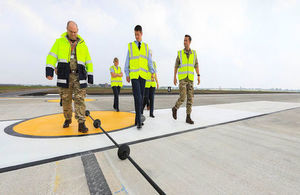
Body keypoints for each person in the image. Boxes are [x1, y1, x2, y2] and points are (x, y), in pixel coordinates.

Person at [46, 21, 93, 133]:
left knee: (80, 99)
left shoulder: (83, 44)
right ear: (67, 30)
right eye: (71, 31)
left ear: (77, 31)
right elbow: (51, 56)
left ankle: (81, 123)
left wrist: (90, 74)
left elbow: (88, 61)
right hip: (64, 75)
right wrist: (49, 70)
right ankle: (67, 118)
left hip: (79, 75)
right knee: (66, 99)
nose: (73, 34)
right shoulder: (59, 42)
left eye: (75, 32)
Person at [124, 25, 155, 129]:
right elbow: (127, 60)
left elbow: (149, 61)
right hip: (134, 75)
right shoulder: (131, 46)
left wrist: (152, 72)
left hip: (143, 76)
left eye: (138, 34)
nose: (136, 36)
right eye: (135, 34)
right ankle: (138, 121)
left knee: (141, 98)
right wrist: (127, 73)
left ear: (141, 34)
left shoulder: (146, 47)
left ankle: (137, 118)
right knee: (137, 96)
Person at [172, 35, 200, 124]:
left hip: (190, 79)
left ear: (190, 42)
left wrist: (198, 75)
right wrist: (174, 77)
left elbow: (196, 65)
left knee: (190, 99)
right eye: (184, 40)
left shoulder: (194, 53)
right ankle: (175, 108)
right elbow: (176, 66)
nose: (184, 42)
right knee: (183, 97)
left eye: (186, 40)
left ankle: (188, 117)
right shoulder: (180, 53)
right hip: (183, 79)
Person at [142, 50, 159, 117]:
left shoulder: (154, 63)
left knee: (152, 99)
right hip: (146, 84)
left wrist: (157, 82)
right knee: (145, 98)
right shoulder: (144, 63)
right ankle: (141, 111)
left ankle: (151, 113)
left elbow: (155, 74)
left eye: (150, 54)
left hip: (152, 84)